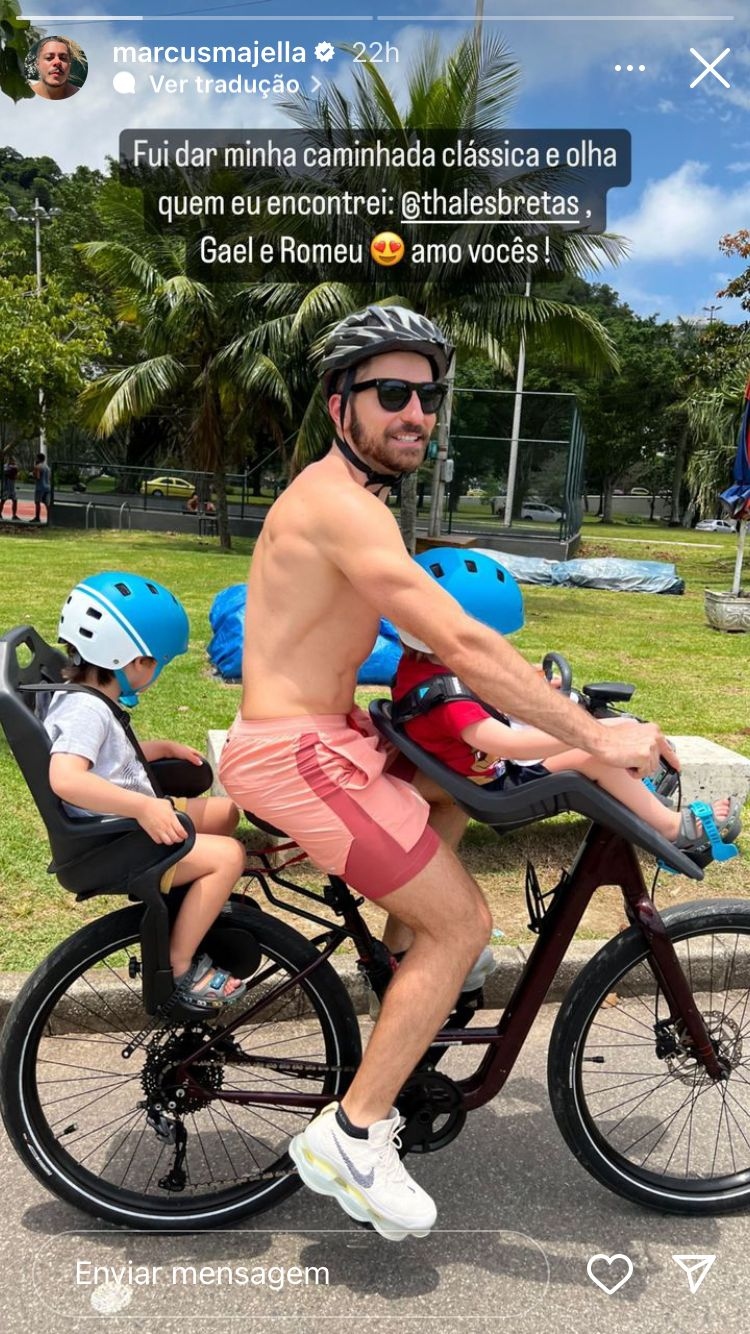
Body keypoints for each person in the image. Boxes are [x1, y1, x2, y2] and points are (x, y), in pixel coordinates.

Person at [218, 304, 675, 1242]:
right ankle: (351, 1135)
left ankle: (411, 981)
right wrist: (589, 727)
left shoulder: (351, 498)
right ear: (339, 403)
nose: (416, 413)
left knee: (447, 795)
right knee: (464, 922)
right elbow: (459, 638)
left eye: (428, 397)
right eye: (393, 394)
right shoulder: (340, 506)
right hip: (302, 754)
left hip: (325, 738)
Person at [392, 549, 741, 862]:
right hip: (497, 788)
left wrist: (530, 693)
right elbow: (507, 743)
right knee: (594, 756)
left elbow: (483, 695)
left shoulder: (423, 670)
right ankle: (671, 826)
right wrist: (593, 733)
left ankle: (646, 805)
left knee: (588, 738)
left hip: (485, 774)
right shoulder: (448, 700)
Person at [45, 571, 247, 1010]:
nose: (154, 672)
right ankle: (180, 967)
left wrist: (155, 750)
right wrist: (142, 808)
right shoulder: (86, 710)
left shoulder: (84, 695)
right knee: (230, 857)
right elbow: (66, 777)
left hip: (129, 823)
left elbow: (105, 758)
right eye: (153, 661)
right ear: (127, 659)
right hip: (121, 839)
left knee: (225, 815)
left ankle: (192, 899)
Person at [32, 453, 51, 523]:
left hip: (40, 487)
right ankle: (49, 518)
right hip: (47, 486)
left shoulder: (38, 467)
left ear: (38, 459)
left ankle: (37, 517)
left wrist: (33, 474)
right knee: (47, 503)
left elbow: (37, 477)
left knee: (37, 502)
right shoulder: (47, 467)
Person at [1, 455, 18, 521]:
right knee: (3, 500)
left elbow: (15, 474)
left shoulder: (11, 467)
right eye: (13, 460)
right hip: (6, 487)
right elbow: (9, 473)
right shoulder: (6, 467)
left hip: (12, 487)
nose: (14, 461)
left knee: (15, 500)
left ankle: (14, 515)